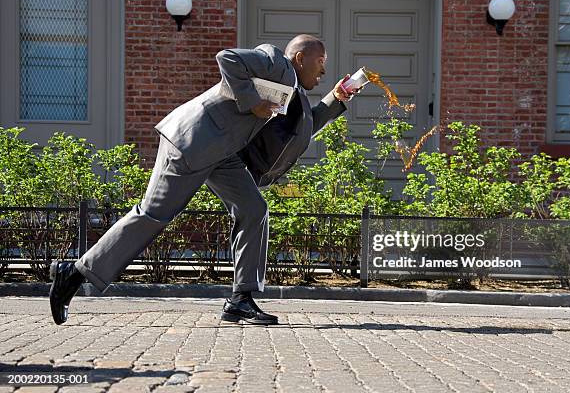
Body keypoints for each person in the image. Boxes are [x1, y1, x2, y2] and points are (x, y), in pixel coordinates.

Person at [49, 34, 357, 326]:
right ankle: (74, 273)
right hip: (192, 141)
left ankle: (241, 298)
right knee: (154, 214)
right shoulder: (275, 61)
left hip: (222, 154)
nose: (325, 70)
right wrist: (252, 101)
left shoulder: (297, 95)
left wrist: (337, 97)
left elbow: (306, 125)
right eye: (321, 61)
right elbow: (228, 58)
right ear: (301, 58)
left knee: (253, 209)